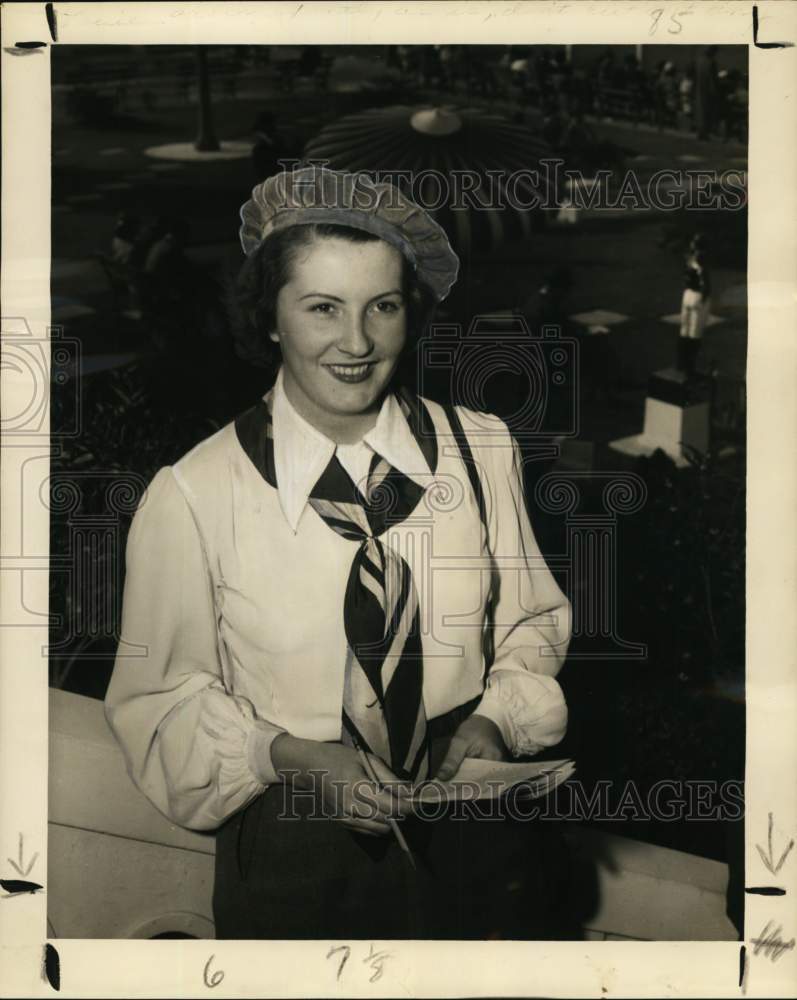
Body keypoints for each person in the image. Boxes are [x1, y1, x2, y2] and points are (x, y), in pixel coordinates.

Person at [105, 167, 573, 940]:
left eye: (381, 307)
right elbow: (156, 704)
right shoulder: (192, 495)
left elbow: (531, 623)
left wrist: (495, 721)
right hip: (297, 854)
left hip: (476, 840)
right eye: (322, 308)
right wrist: (286, 756)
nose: (355, 343)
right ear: (268, 319)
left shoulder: (481, 449)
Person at [678, 232, 712, 375]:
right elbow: (705, 283)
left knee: (686, 331)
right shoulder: (699, 258)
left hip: (690, 295)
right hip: (697, 295)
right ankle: (688, 366)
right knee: (692, 332)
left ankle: (683, 364)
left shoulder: (691, 258)